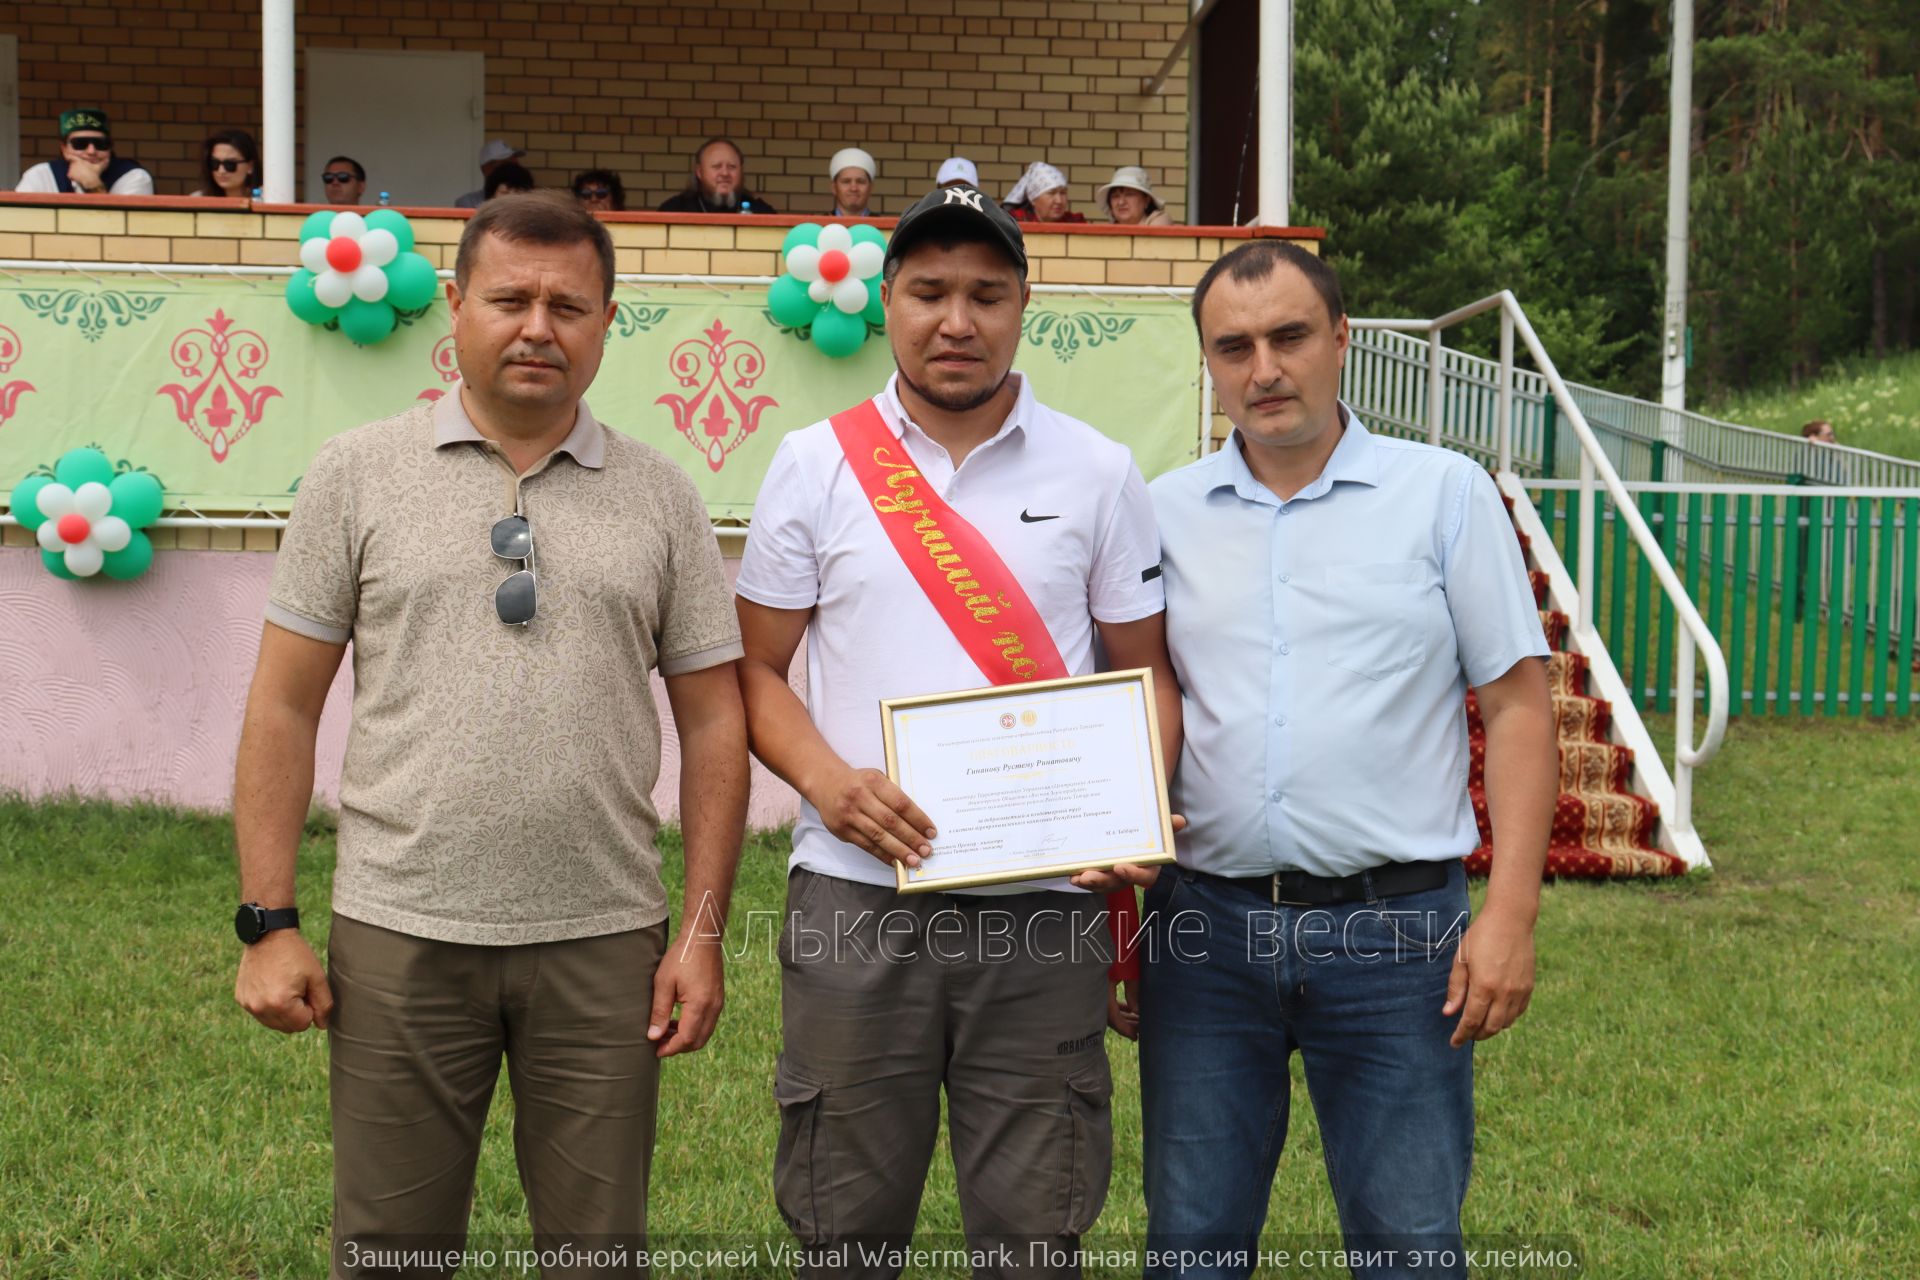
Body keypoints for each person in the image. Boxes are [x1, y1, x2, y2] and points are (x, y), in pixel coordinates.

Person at [231, 190, 750, 1275]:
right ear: (455, 307)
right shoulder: (355, 473)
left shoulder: (661, 496)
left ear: (608, 323)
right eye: (509, 298)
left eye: (570, 305)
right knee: (391, 1246)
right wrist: (267, 918)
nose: (537, 327)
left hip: (604, 940)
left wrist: (699, 929)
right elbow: (284, 701)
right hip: (401, 929)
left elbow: (714, 722)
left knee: (600, 1249)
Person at [735, 184, 1180, 1277]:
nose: (956, 319)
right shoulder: (815, 462)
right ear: (887, 302)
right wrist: (831, 782)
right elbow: (753, 670)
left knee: (1036, 1230)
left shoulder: (1098, 469)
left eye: (987, 293)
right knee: (843, 1224)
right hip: (855, 896)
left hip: (1046, 910)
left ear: (1025, 303)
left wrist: (1138, 807)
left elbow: (1147, 672)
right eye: (929, 291)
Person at [1139, 240, 1558, 1279]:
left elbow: (1516, 706)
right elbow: (1138, 694)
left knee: (1411, 1244)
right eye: (1233, 347)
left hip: (1399, 934)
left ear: (1341, 339)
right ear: (1209, 363)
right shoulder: (1163, 513)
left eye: (1288, 336)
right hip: (1205, 931)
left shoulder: (1444, 496)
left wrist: (1507, 915)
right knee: (1190, 1243)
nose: (1264, 368)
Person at [15, 108, 154, 196]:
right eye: (80, 144)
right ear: (64, 149)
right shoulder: (41, 175)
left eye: (100, 144)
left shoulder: (134, 177)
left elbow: (121, 232)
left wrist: (95, 187)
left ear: (110, 148)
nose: (91, 151)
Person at [657, 137, 777, 214]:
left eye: (732, 167)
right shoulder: (674, 210)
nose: (725, 173)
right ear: (699, 172)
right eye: (716, 166)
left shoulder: (760, 212)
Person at [453, 138, 525, 208]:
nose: (514, 170)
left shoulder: (526, 201)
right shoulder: (469, 203)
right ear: (486, 169)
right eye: (506, 164)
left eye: (515, 165)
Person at [1002, 161, 1083, 224]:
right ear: (1033, 199)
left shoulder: (1074, 221)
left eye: (1063, 193)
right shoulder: (1014, 222)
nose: (1059, 201)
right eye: (1051, 193)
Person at [192, 129, 260, 198]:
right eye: (215, 163)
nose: (221, 171)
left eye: (230, 164)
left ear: (250, 166)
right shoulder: (198, 200)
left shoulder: (265, 199)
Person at [1095, 166, 1172, 226]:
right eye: (1115, 196)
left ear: (1147, 200)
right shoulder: (1109, 230)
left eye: (1129, 195)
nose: (1121, 202)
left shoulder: (1159, 220)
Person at [826, 146, 877, 216]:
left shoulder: (887, 226)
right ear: (834, 188)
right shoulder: (819, 226)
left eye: (860, 182)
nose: (853, 188)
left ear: (870, 188)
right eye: (846, 182)